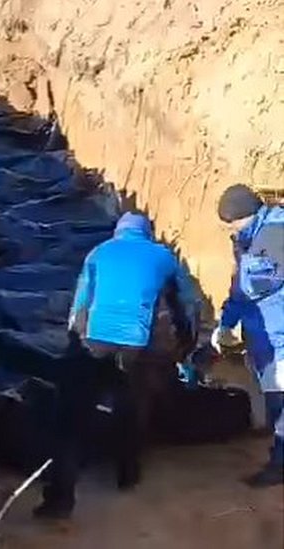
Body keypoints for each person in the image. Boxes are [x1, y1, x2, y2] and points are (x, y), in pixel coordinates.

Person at [34, 212, 199, 519]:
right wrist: (187, 346)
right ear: (146, 233)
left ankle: (60, 500)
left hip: (94, 340)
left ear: (118, 232)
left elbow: (80, 304)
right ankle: (127, 474)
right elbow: (187, 303)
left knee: (72, 418)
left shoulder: (99, 252)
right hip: (134, 343)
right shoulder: (163, 256)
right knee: (132, 405)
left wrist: (76, 345)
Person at [211, 184, 284, 487]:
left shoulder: (275, 232)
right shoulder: (251, 236)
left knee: (280, 402)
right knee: (275, 400)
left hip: (280, 336)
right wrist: (226, 323)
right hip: (265, 335)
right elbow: (238, 290)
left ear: (246, 214)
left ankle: (279, 466)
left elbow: (255, 284)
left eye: (233, 221)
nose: (231, 228)